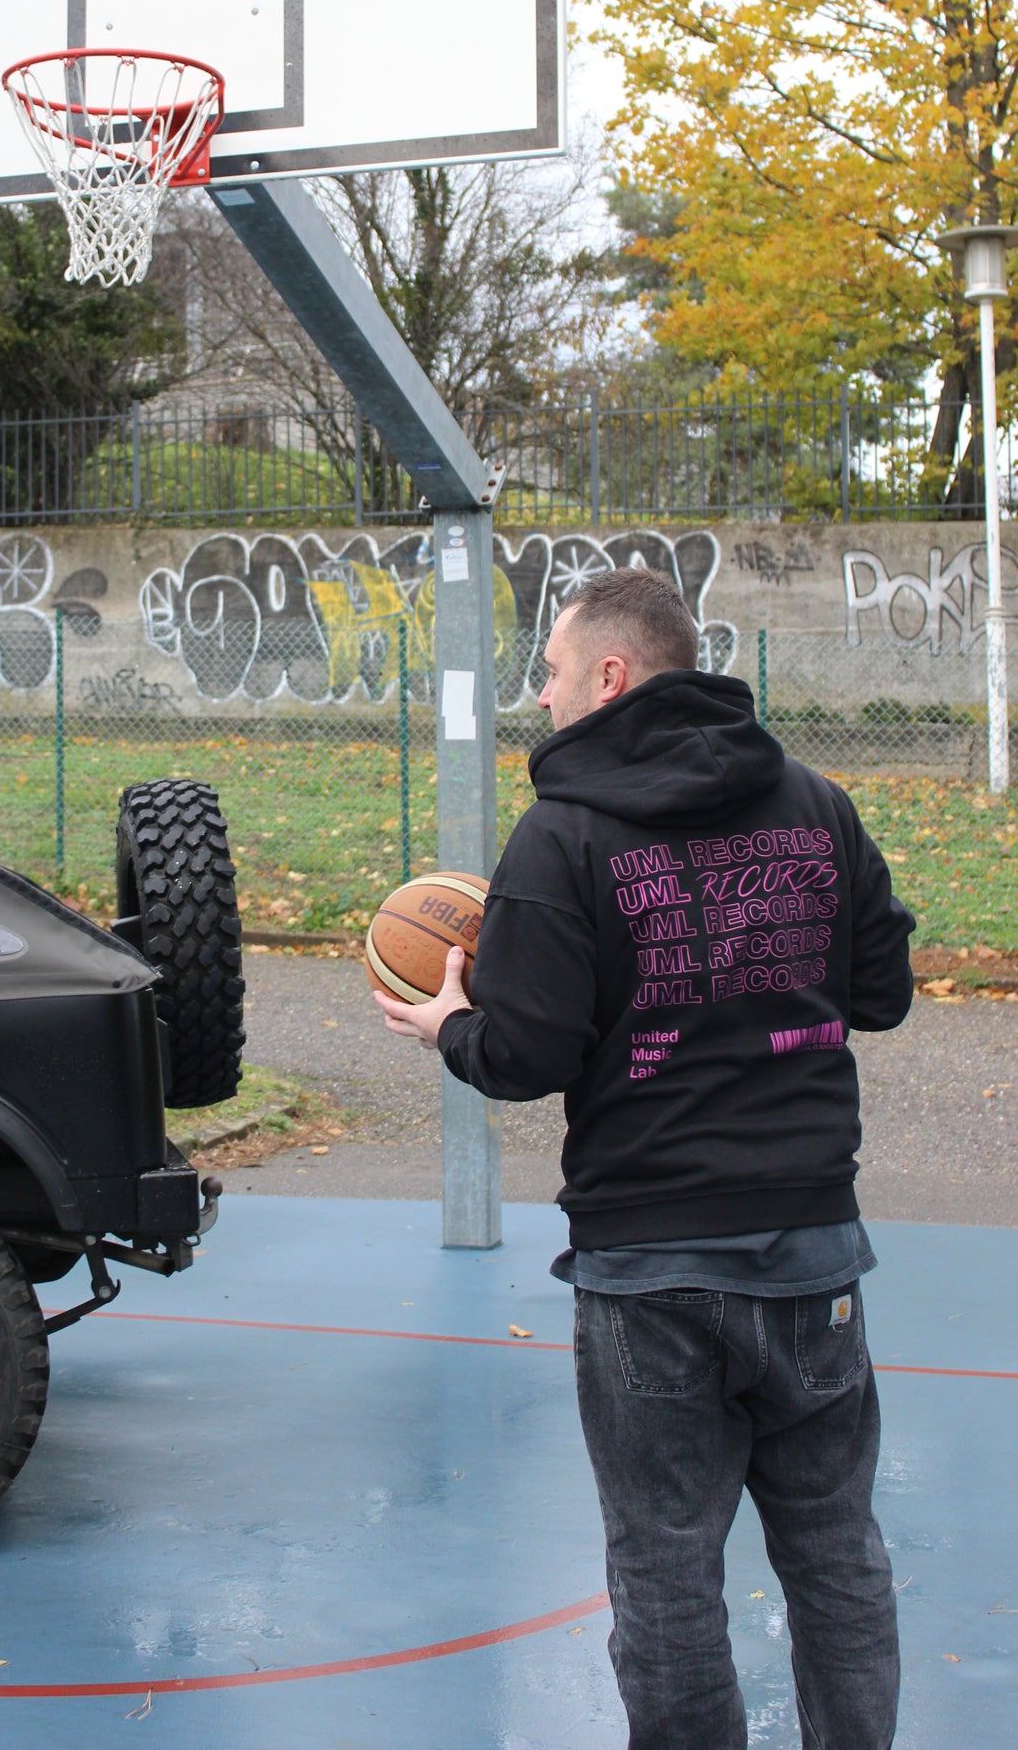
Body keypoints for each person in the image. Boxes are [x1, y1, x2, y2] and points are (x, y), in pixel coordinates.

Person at [374, 566, 912, 1750]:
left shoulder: (560, 834)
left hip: (648, 1266)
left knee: (665, 1572)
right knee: (835, 1552)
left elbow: (522, 1055)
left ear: (611, 674)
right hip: (811, 1249)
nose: (547, 698)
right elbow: (880, 992)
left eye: (555, 674)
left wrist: (447, 1021)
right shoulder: (816, 803)